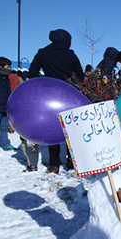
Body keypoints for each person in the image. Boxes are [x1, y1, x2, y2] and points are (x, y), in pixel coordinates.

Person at [28, 28, 84, 173]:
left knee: (52, 128)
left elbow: (32, 72)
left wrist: (44, 82)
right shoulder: (71, 55)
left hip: (49, 95)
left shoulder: (43, 53)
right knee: (70, 129)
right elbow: (80, 75)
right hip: (68, 95)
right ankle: (72, 162)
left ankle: (54, 164)